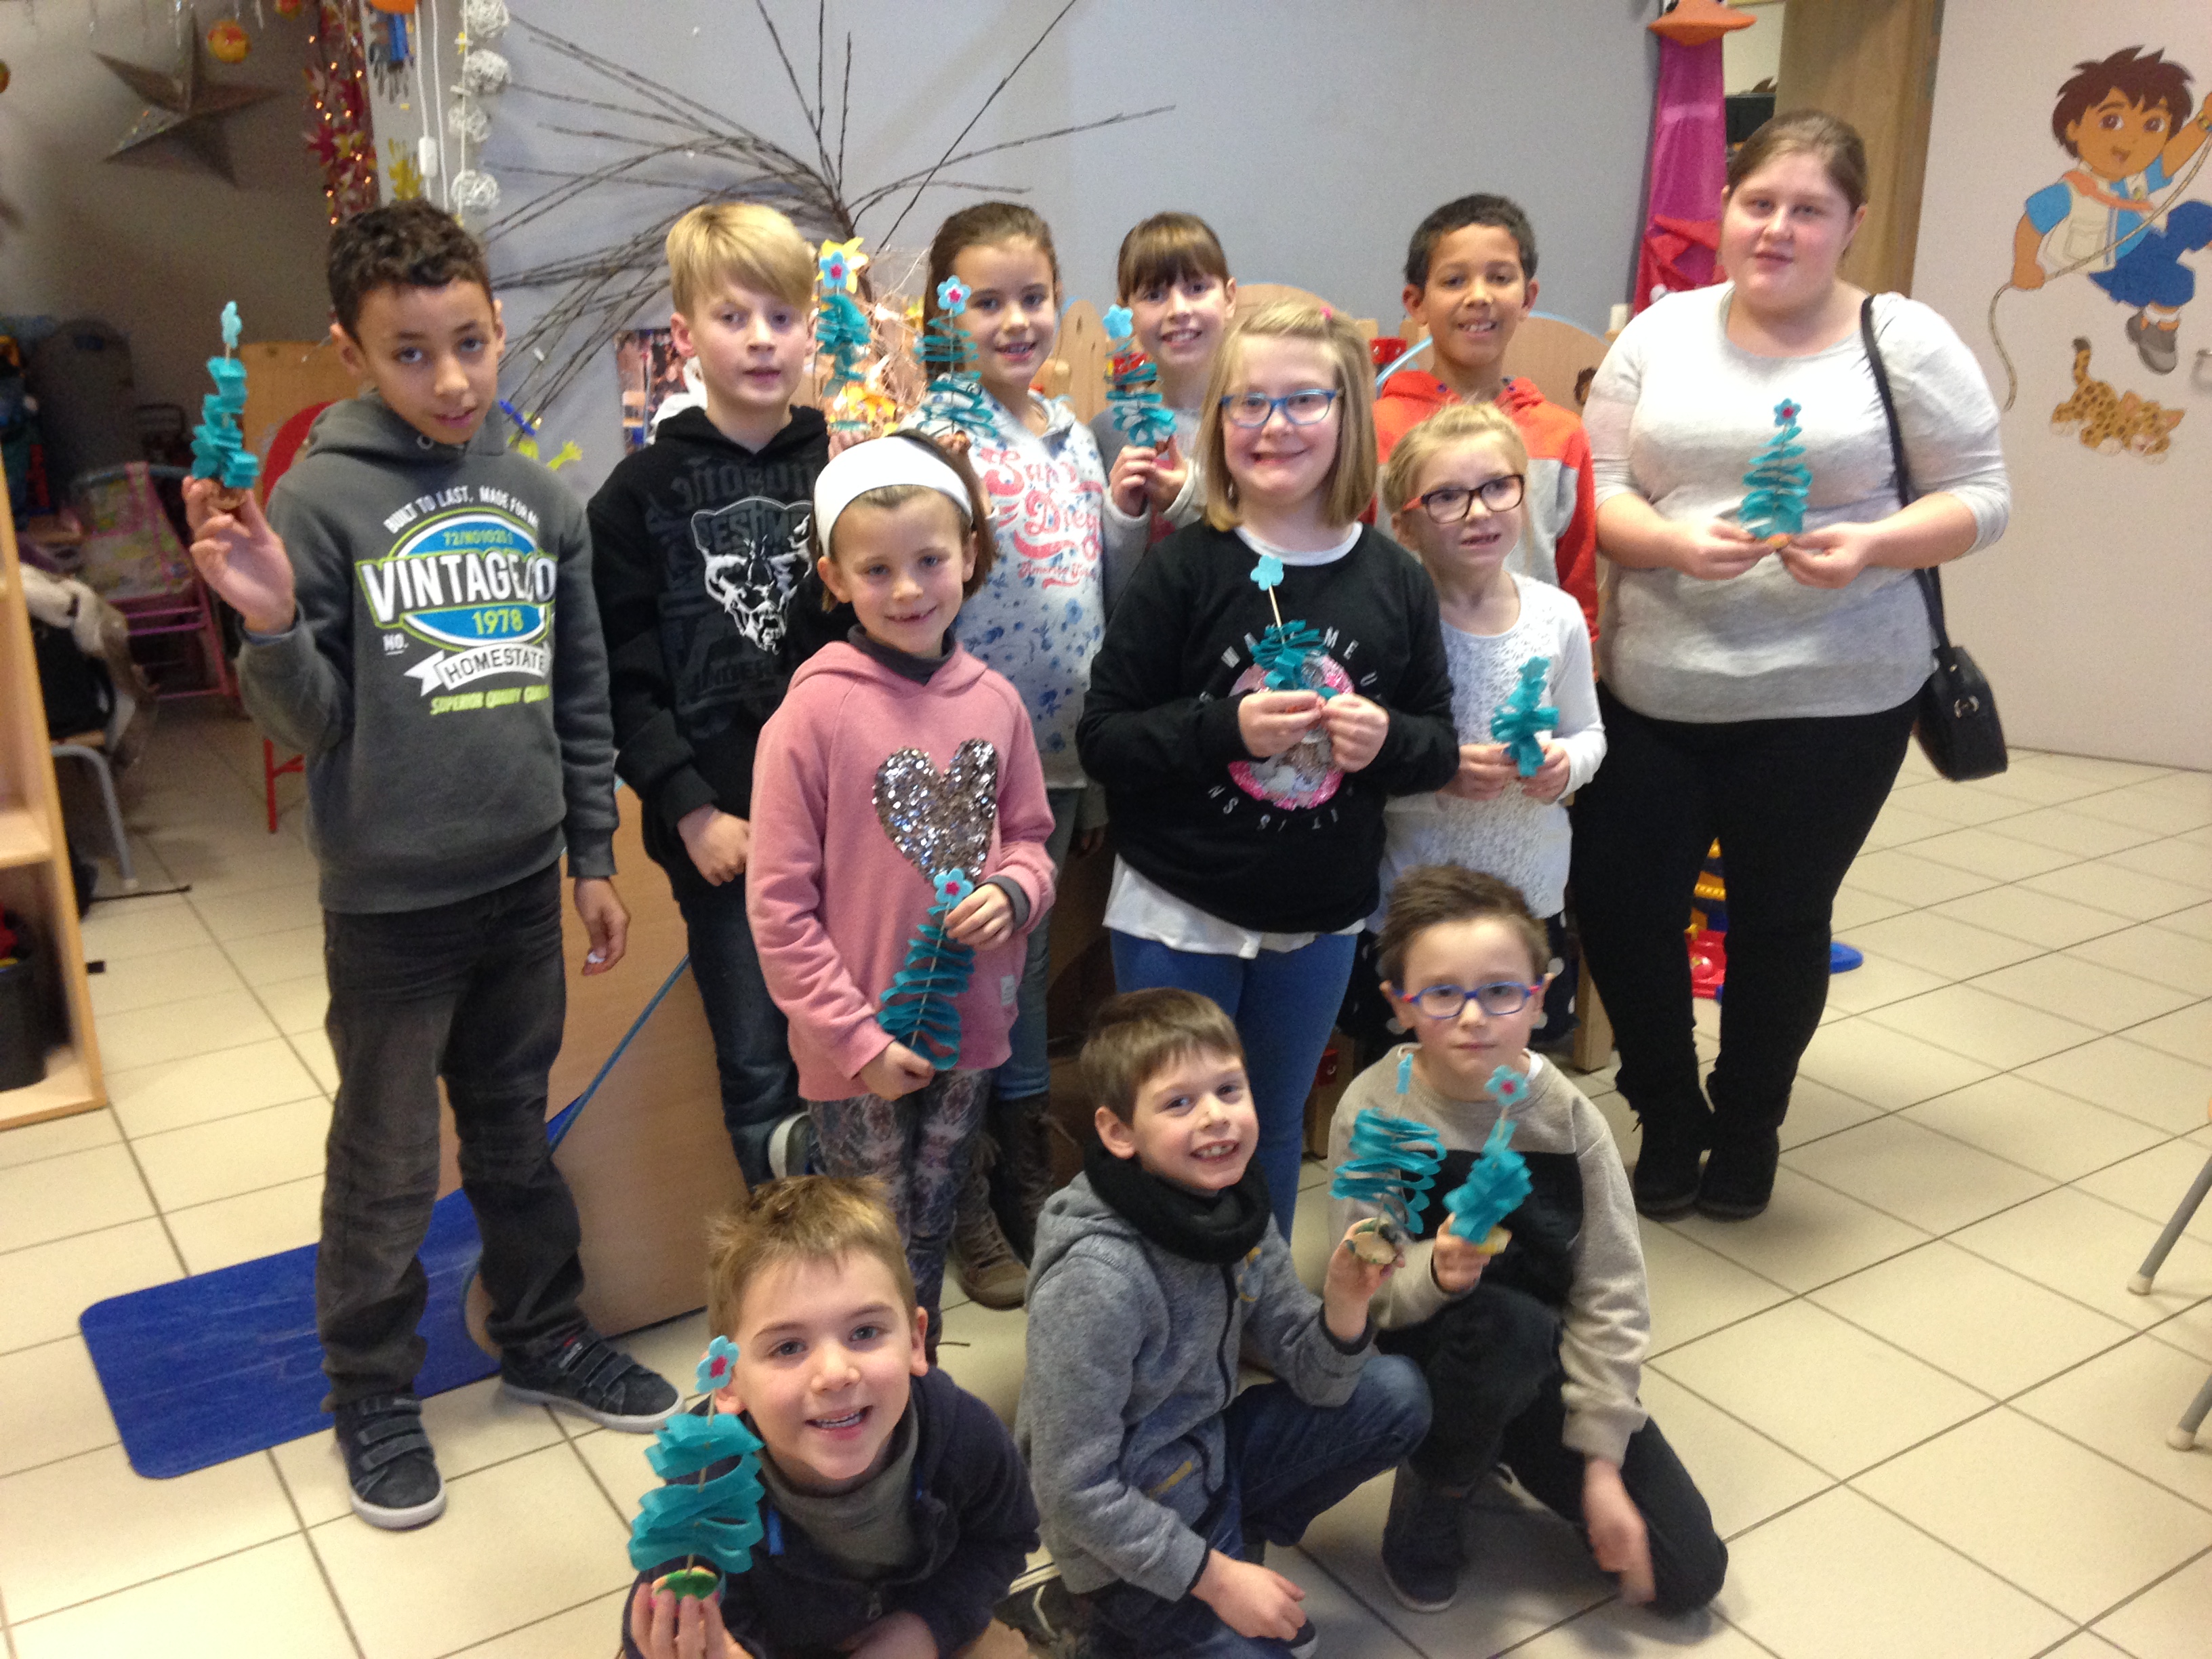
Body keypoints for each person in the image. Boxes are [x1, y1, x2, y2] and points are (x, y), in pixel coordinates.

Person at [182, 200, 676, 1530]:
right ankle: (371, 1390)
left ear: (498, 327)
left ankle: (544, 1331)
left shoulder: (538, 494)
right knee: (389, 1161)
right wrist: (271, 623)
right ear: (354, 352)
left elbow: (580, 691)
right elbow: (308, 724)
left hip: (519, 892)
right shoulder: (318, 498)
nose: (451, 378)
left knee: (515, 1136)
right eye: (410, 353)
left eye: (469, 342)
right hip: (392, 908)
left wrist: (590, 852)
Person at [1576, 111, 2009, 1222]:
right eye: (1757, 203)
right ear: (1725, 210)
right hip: (1654, 688)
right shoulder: (1659, 334)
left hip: (1835, 697)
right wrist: (1670, 543)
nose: (1775, 229)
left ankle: (1746, 1125)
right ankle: (1666, 1113)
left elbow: (1981, 498)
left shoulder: (1903, 341)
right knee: (1622, 910)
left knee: (1778, 918)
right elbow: (1600, 490)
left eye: (1806, 209)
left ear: (1851, 222)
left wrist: (1873, 544)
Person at [1076, 300, 1460, 1240]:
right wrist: (1226, 730)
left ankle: (1259, 1308)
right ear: (1218, 421)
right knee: (1170, 1139)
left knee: (1271, 1126)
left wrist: (1385, 741)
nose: (1274, 425)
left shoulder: (1396, 579)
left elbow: (1438, 745)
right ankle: (1163, 1312)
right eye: (1248, 402)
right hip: (1179, 909)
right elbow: (1106, 737)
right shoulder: (1185, 569)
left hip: (1318, 917)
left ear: (1349, 416)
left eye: (1304, 401)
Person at [1330, 866, 1726, 1616]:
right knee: (1504, 1323)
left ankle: (1500, 1440)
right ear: (1400, 1006)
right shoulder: (1377, 1110)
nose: (1473, 1017)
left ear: (1540, 997)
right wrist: (1434, 1272)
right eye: (1441, 993)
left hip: (1542, 1363)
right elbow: (1362, 1286)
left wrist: (1601, 1459)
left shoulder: (1568, 1121)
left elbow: (1611, 1292)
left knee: (1687, 1574)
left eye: (1500, 991)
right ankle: (1436, 1491)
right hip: (1421, 1353)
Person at [747, 434, 1057, 1351]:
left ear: (969, 553)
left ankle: (918, 1372)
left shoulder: (996, 702)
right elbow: (779, 907)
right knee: (872, 1230)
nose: (910, 589)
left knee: (935, 1208)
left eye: (930, 560)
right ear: (834, 579)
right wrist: (856, 1041)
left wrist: (1016, 891)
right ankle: (879, 1376)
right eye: (877, 570)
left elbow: (1031, 839)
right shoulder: (812, 713)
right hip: (858, 1044)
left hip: (973, 1024)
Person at [1019, 988, 1432, 1658]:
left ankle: (1233, 1544)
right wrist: (1215, 1579)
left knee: (1397, 1394)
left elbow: (1316, 1377)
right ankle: (1101, 1619)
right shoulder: (1095, 1279)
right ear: (1119, 1133)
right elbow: (1073, 1491)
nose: (1215, 1117)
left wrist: (1344, 1304)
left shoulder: (1231, 1207)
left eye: (1228, 1090)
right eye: (1179, 1103)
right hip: (1117, 1538)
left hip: (1207, 1463)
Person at [588, 201, 829, 1188]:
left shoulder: (845, 474)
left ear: (812, 329)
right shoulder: (635, 496)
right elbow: (622, 676)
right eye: (734, 318)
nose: (761, 339)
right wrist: (689, 811)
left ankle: (867, 1249)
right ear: (685, 336)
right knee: (760, 1066)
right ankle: (787, 1251)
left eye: (782, 316)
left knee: (853, 1047)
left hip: (844, 821)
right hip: (723, 833)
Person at [910, 201, 1118, 1305]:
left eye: (1032, 296)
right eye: (985, 301)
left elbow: (1092, 582)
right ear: (946, 313)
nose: (1015, 320)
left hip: (1063, 754)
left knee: (1030, 969)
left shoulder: (1072, 433)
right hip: (964, 762)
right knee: (978, 974)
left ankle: (1028, 1174)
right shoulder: (931, 437)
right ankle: (971, 1193)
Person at [623, 1177, 1039, 1659]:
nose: (836, 1374)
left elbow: (1004, 1539)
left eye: (864, 1332)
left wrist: (925, 1629)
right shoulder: (703, 1496)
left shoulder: (963, 1434)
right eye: (788, 1347)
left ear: (914, 1341)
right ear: (729, 1381)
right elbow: (662, 1626)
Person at [1361, 402, 1603, 1055]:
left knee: (1508, 1066)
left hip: (1527, 896)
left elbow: (1589, 732)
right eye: (1446, 497)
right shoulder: (1390, 626)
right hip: (1416, 904)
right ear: (1405, 525)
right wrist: (1437, 772)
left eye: (1498, 487)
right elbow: (1361, 765)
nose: (1478, 512)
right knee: (1410, 1071)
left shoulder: (1556, 616)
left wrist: (1566, 767)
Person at [1374, 193, 1599, 640]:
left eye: (1499, 278)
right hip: (1403, 670)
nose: (1479, 297)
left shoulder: (1562, 436)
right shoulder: (1373, 430)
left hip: (1530, 672)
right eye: (1454, 280)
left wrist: (1583, 664)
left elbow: (1577, 584)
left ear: (1528, 298)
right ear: (1416, 302)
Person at [1089, 211, 1237, 586]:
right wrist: (1123, 517)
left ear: (1230, 297)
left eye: (1197, 288)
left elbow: (1272, 548)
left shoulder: (1259, 424)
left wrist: (1188, 500)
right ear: (1126, 313)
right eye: (1154, 295)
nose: (1179, 310)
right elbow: (1109, 588)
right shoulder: (1108, 433)